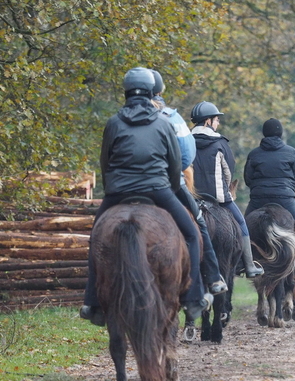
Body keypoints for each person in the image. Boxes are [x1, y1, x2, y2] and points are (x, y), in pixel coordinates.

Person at [80, 67, 212, 326]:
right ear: (153, 92)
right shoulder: (164, 123)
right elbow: (175, 164)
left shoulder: (114, 122)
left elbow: (105, 162)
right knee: (191, 234)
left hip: (119, 191)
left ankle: (93, 302)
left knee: (96, 237)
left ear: (126, 92)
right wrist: (170, 187)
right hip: (157, 190)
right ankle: (194, 297)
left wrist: (112, 190)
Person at [151, 71, 227, 294]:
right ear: (160, 90)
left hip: (125, 188)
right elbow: (186, 156)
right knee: (198, 227)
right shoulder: (172, 117)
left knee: (99, 230)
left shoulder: (120, 117)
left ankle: (93, 298)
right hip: (165, 186)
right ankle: (209, 280)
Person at [190, 101, 264, 278]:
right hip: (219, 198)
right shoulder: (220, 143)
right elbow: (228, 173)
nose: (218, 124)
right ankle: (249, 265)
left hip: (190, 198)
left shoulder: (184, 140)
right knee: (241, 224)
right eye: (216, 120)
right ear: (207, 121)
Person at [243, 118, 295, 273]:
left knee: (243, 227)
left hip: (259, 198)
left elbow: (248, 179)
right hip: (285, 198)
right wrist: (287, 188)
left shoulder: (254, 153)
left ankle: (242, 261)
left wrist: (259, 188)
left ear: (264, 133)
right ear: (280, 133)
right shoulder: (292, 152)